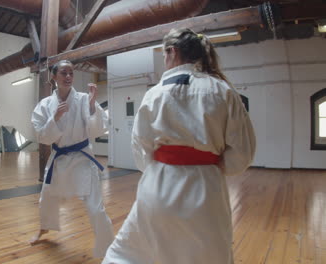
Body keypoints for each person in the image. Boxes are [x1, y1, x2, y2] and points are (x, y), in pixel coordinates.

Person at [102, 29, 256, 263]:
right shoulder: (222, 90)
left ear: (172, 52)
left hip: (158, 187)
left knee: (128, 254)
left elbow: (140, 147)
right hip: (206, 189)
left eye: (164, 55)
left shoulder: (154, 94)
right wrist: (212, 165)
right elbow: (242, 153)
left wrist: (160, 168)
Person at [30, 60, 114, 258]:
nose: (68, 77)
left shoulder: (84, 99)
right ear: (54, 76)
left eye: (71, 73)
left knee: (95, 207)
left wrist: (93, 106)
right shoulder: (45, 105)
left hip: (82, 158)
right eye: (63, 73)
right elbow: (42, 136)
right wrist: (55, 118)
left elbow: (97, 128)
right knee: (47, 197)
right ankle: (44, 228)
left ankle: (108, 247)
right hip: (59, 158)